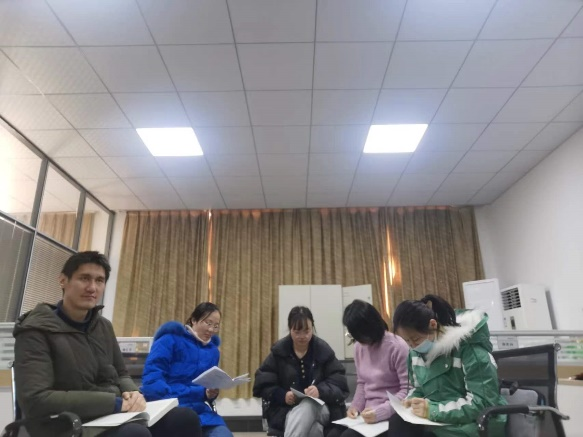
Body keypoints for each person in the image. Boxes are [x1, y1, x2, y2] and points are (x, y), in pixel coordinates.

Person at [13, 251, 202, 437]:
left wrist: (133, 393)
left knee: (184, 418)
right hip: (64, 424)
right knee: (134, 434)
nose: (92, 287)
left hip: (108, 416)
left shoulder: (102, 326)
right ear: (63, 280)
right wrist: (115, 403)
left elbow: (121, 373)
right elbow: (36, 399)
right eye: (84, 278)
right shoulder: (36, 330)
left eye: (99, 280)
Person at [392, 294, 507, 437]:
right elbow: (419, 388)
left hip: (473, 425)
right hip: (439, 422)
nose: (412, 346)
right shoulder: (416, 353)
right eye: (407, 341)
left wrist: (432, 410)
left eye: (415, 339)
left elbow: (482, 404)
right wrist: (413, 400)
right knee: (398, 422)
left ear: (433, 325)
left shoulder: (471, 351)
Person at [253, 306, 349, 437]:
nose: (302, 336)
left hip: (322, 409)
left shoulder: (323, 351)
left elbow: (339, 383)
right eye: (297, 332)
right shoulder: (279, 352)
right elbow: (262, 383)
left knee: (308, 404)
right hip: (287, 411)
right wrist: (283, 395)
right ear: (290, 329)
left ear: (312, 328)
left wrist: (320, 391)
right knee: (314, 430)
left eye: (307, 331)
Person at [327, 299, 417, 437]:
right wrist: (355, 407)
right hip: (367, 416)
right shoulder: (359, 347)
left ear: (371, 326)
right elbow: (362, 383)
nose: (359, 340)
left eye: (360, 334)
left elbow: (408, 390)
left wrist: (382, 411)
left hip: (393, 415)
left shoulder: (397, 346)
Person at [141, 302, 233, 437]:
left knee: (223, 434)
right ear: (194, 320)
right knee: (186, 423)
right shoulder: (169, 340)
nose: (211, 330)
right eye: (208, 323)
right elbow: (152, 379)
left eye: (216, 326)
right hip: (171, 408)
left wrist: (210, 393)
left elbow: (207, 387)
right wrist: (172, 400)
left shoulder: (213, 351)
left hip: (201, 411)